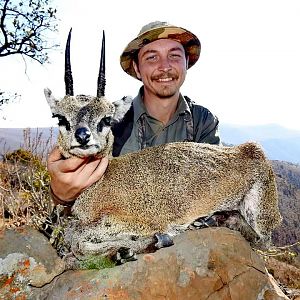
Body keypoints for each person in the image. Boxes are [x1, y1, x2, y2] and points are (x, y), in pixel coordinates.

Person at [47, 21, 221, 207]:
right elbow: (77, 188)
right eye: (152, 57)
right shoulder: (109, 125)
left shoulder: (203, 121)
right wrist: (61, 195)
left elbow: (214, 187)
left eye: (174, 55)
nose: (165, 66)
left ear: (186, 63)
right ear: (137, 68)